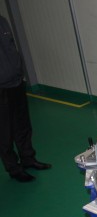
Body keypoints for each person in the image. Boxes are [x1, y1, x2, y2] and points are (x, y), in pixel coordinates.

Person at [0, 14, 51, 182]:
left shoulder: (2, 21)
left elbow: (10, 48)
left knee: (23, 126)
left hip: (15, 82)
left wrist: (18, 71)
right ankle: (14, 168)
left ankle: (28, 159)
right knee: (4, 132)